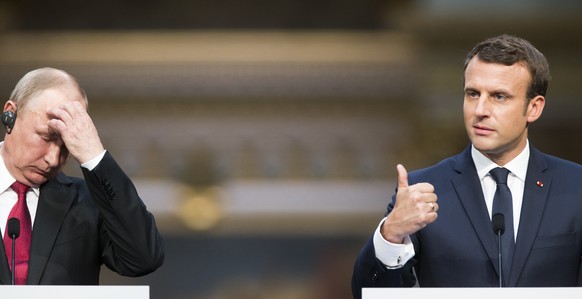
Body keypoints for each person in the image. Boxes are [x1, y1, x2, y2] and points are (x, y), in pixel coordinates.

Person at [352, 34, 582, 298]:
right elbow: (366, 293)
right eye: (473, 94)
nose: (480, 109)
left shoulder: (576, 188)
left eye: (499, 97)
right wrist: (390, 235)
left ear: (534, 108)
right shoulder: (423, 191)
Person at [0, 67, 164, 284]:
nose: (53, 159)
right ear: (10, 114)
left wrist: (95, 156)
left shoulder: (86, 203)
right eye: (46, 137)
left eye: (67, 145)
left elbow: (144, 258)